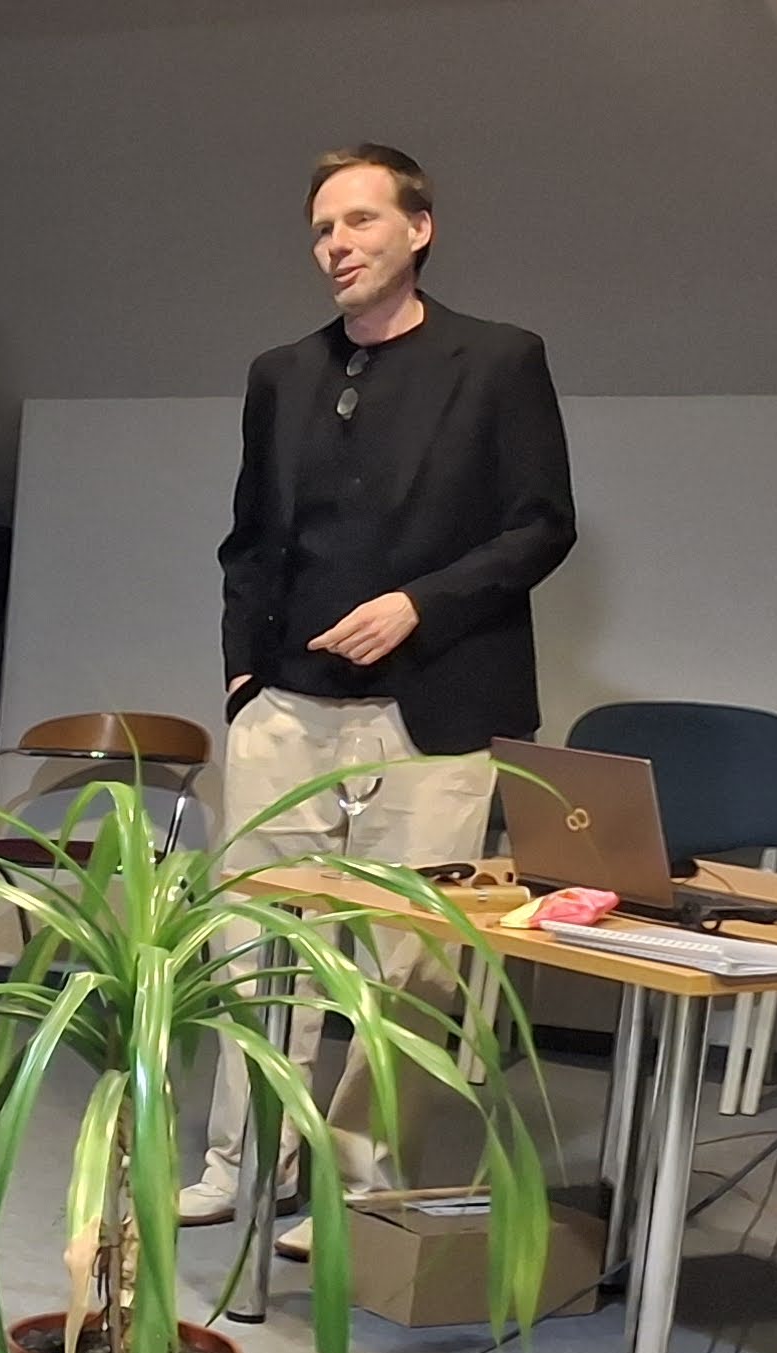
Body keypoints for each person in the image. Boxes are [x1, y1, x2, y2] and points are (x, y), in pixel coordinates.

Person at [190, 142, 575, 1229]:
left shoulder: (498, 360)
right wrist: (242, 676)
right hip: (286, 710)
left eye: (359, 220)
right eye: (322, 229)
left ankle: (362, 1185)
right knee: (255, 949)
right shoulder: (282, 374)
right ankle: (244, 1160)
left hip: (434, 710)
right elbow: (250, 539)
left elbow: (542, 525)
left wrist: (419, 604)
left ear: (419, 229)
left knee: (411, 962)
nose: (336, 245)